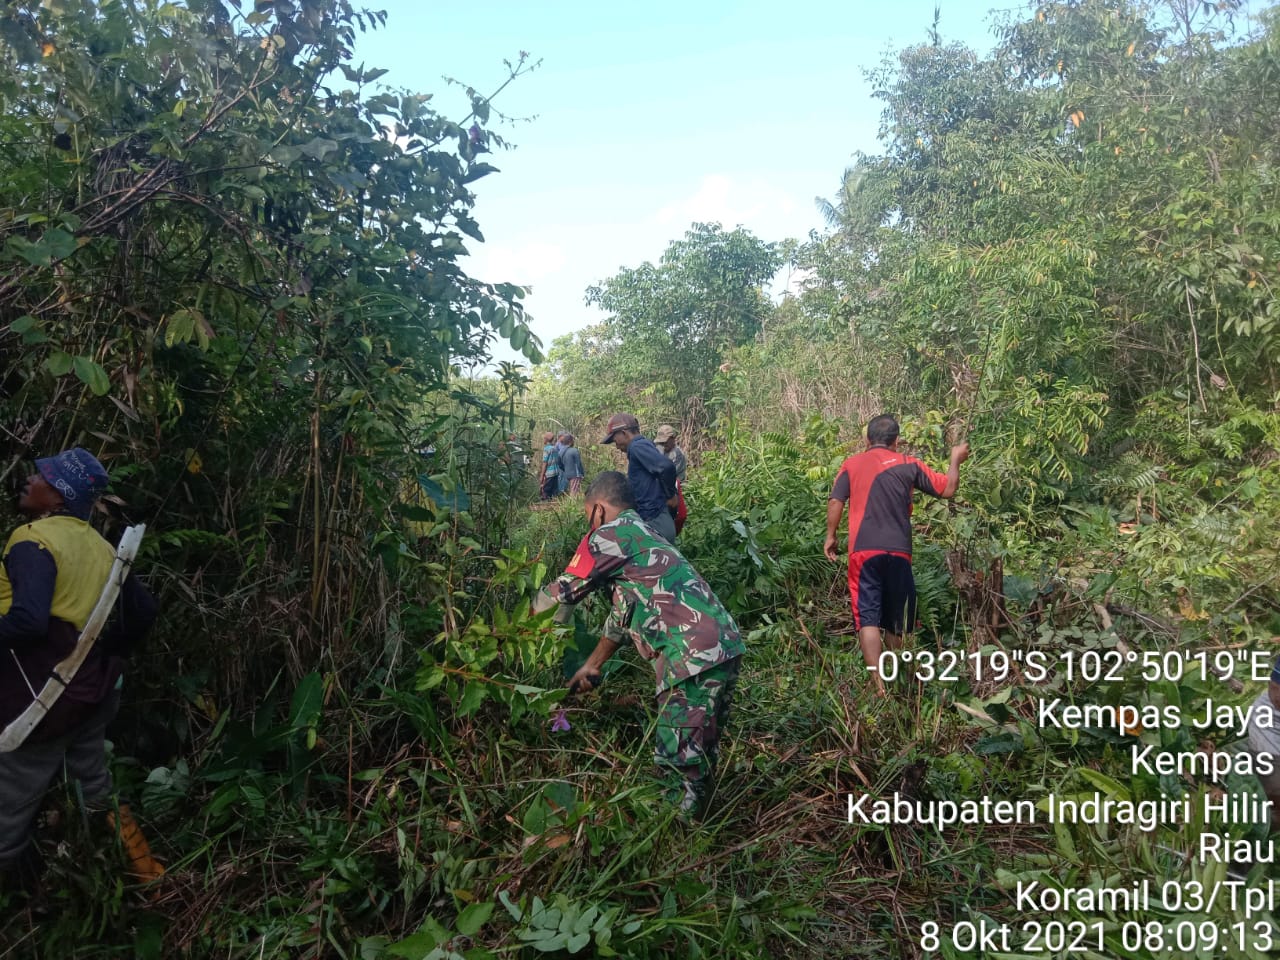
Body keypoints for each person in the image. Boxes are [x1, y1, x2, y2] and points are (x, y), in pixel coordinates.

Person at [0, 448, 158, 890]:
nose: (28, 481)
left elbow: (28, 622)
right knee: (93, 783)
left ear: (56, 496)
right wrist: (103, 656)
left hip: (41, 696)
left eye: (39, 478)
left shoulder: (34, 539)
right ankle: (147, 872)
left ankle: (14, 908)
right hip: (91, 691)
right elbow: (143, 610)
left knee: (8, 798)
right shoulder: (103, 548)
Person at [550, 471, 743, 818]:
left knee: (677, 767)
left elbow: (563, 593)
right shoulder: (648, 534)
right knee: (701, 755)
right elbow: (621, 619)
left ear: (597, 510)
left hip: (688, 655)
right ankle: (707, 829)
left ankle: (677, 848)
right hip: (723, 646)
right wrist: (592, 664)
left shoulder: (608, 535)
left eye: (587, 517)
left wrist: (515, 633)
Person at [823, 416, 969, 695]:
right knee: (898, 620)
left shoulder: (851, 464)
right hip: (900, 552)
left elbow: (836, 500)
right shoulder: (909, 464)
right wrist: (955, 459)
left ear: (867, 439)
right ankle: (900, 681)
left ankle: (878, 686)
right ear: (897, 441)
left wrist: (831, 536)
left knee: (868, 618)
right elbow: (948, 489)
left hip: (864, 551)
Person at [601, 413, 678, 543]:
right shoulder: (642, 445)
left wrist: (671, 495)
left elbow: (666, 467)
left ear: (624, 433)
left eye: (615, 441)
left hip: (655, 519)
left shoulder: (636, 446)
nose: (617, 446)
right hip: (655, 518)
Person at [654, 424, 688, 535]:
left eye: (665, 442)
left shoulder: (678, 454)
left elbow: (668, 475)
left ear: (673, 439)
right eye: (661, 443)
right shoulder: (660, 449)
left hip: (676, 488)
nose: (663, 445)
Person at [537, 431, 561, 501]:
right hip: (556, 472)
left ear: (546, 439)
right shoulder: (555, 448)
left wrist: (542, 475)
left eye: (544, 438)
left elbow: (545, 463)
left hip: (549, 473)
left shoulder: (546, 449)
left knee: (546, 490)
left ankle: (544, 503)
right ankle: (553, 503)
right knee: (554, 491)